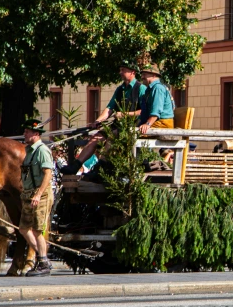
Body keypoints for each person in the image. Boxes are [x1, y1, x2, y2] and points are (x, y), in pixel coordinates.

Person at [61, 61, 146, 174]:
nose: (120, 72)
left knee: (111, 136)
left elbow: (144, 111)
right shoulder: (120, 90)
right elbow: (109, 109)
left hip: (133, 126)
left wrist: (125, 114)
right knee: (96, 138)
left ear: (132, 72)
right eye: (120, 70)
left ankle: (100, 167)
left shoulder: (141, 89)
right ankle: (76, 165)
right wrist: (97, 121)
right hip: (118, 125)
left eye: (123, 70)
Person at [18, 118, 55, 277]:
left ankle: (43, 262)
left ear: (36, 133)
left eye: (27, 131)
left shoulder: (42, 150)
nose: (24, 134)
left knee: (38, 230)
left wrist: (38, 195)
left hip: (41, 195)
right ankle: (42, 258)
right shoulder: (30, 150)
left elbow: (48, 173)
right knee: (24, 229)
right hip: (29, 194)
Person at [138, 61, 175, 133]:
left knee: (132, 136)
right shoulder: (150, 89)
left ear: (154, 75)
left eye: (144, 74)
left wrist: (147, 124)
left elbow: (156, 111)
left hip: (163, 124)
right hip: (157, 123)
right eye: (142, 74)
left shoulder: (158, 88)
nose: (142, 77)